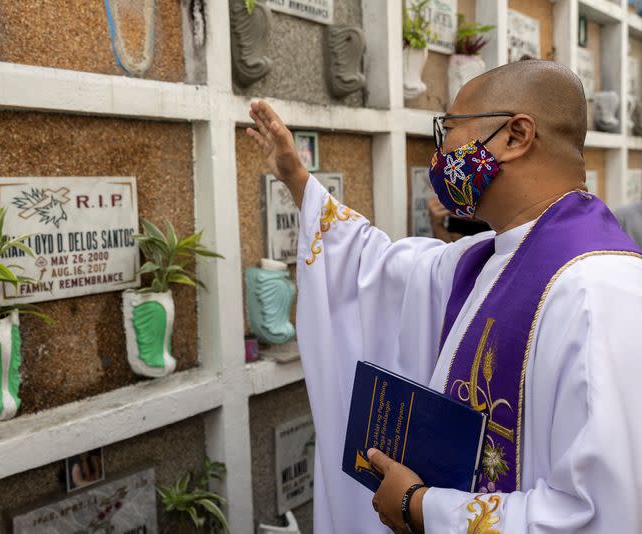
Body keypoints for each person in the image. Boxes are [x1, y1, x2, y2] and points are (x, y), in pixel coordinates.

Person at [246, 60, 642, 533]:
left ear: (515, 136)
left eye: (450, 129)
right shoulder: (489, 255)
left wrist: (421, 506)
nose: (442, 153)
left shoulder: (599, 291)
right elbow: (381, 271)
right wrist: (300, 183)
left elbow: (600, 515)